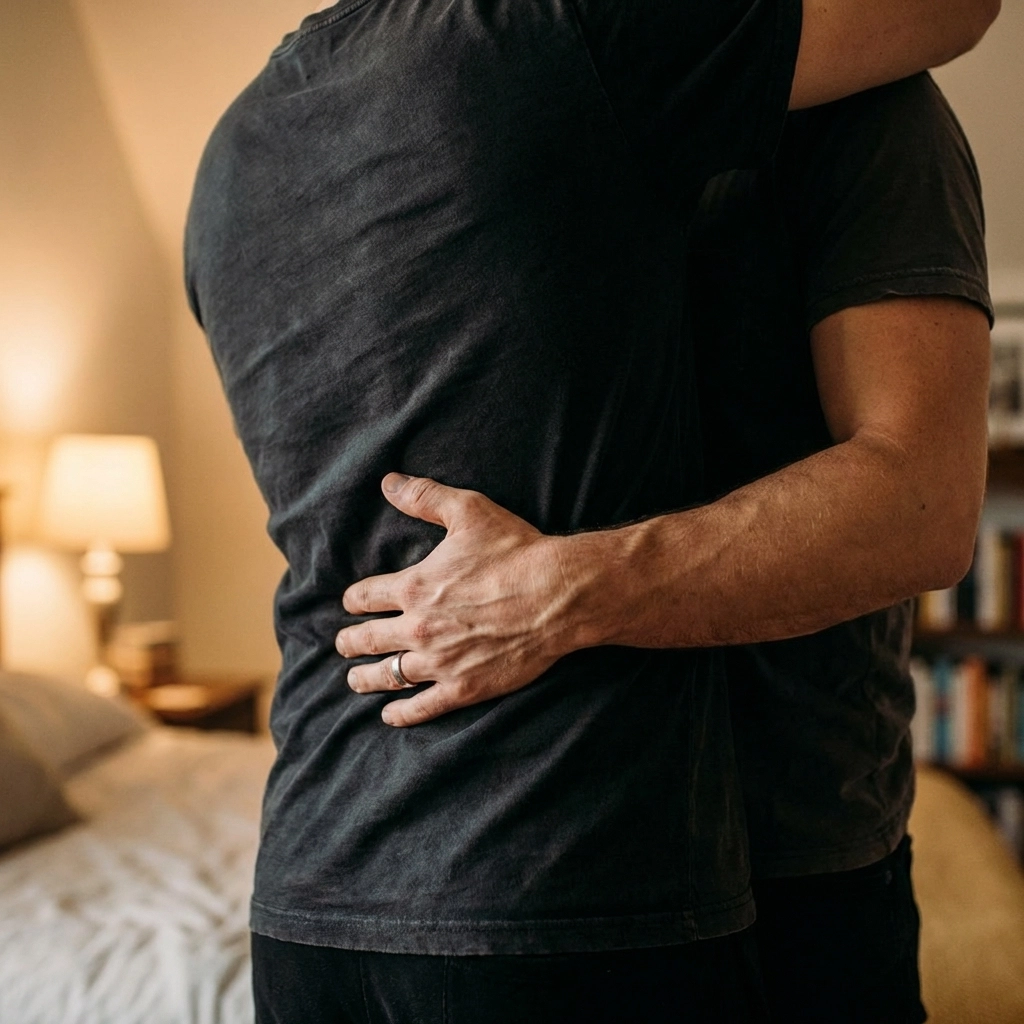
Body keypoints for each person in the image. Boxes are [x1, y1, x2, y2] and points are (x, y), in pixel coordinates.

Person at [185, 0, 998, 1020]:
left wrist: (560, 587)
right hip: (575, 888)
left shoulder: (228, 153)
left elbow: (918, 502)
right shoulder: (548, 46)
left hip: (330, 879)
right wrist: (555, 594)